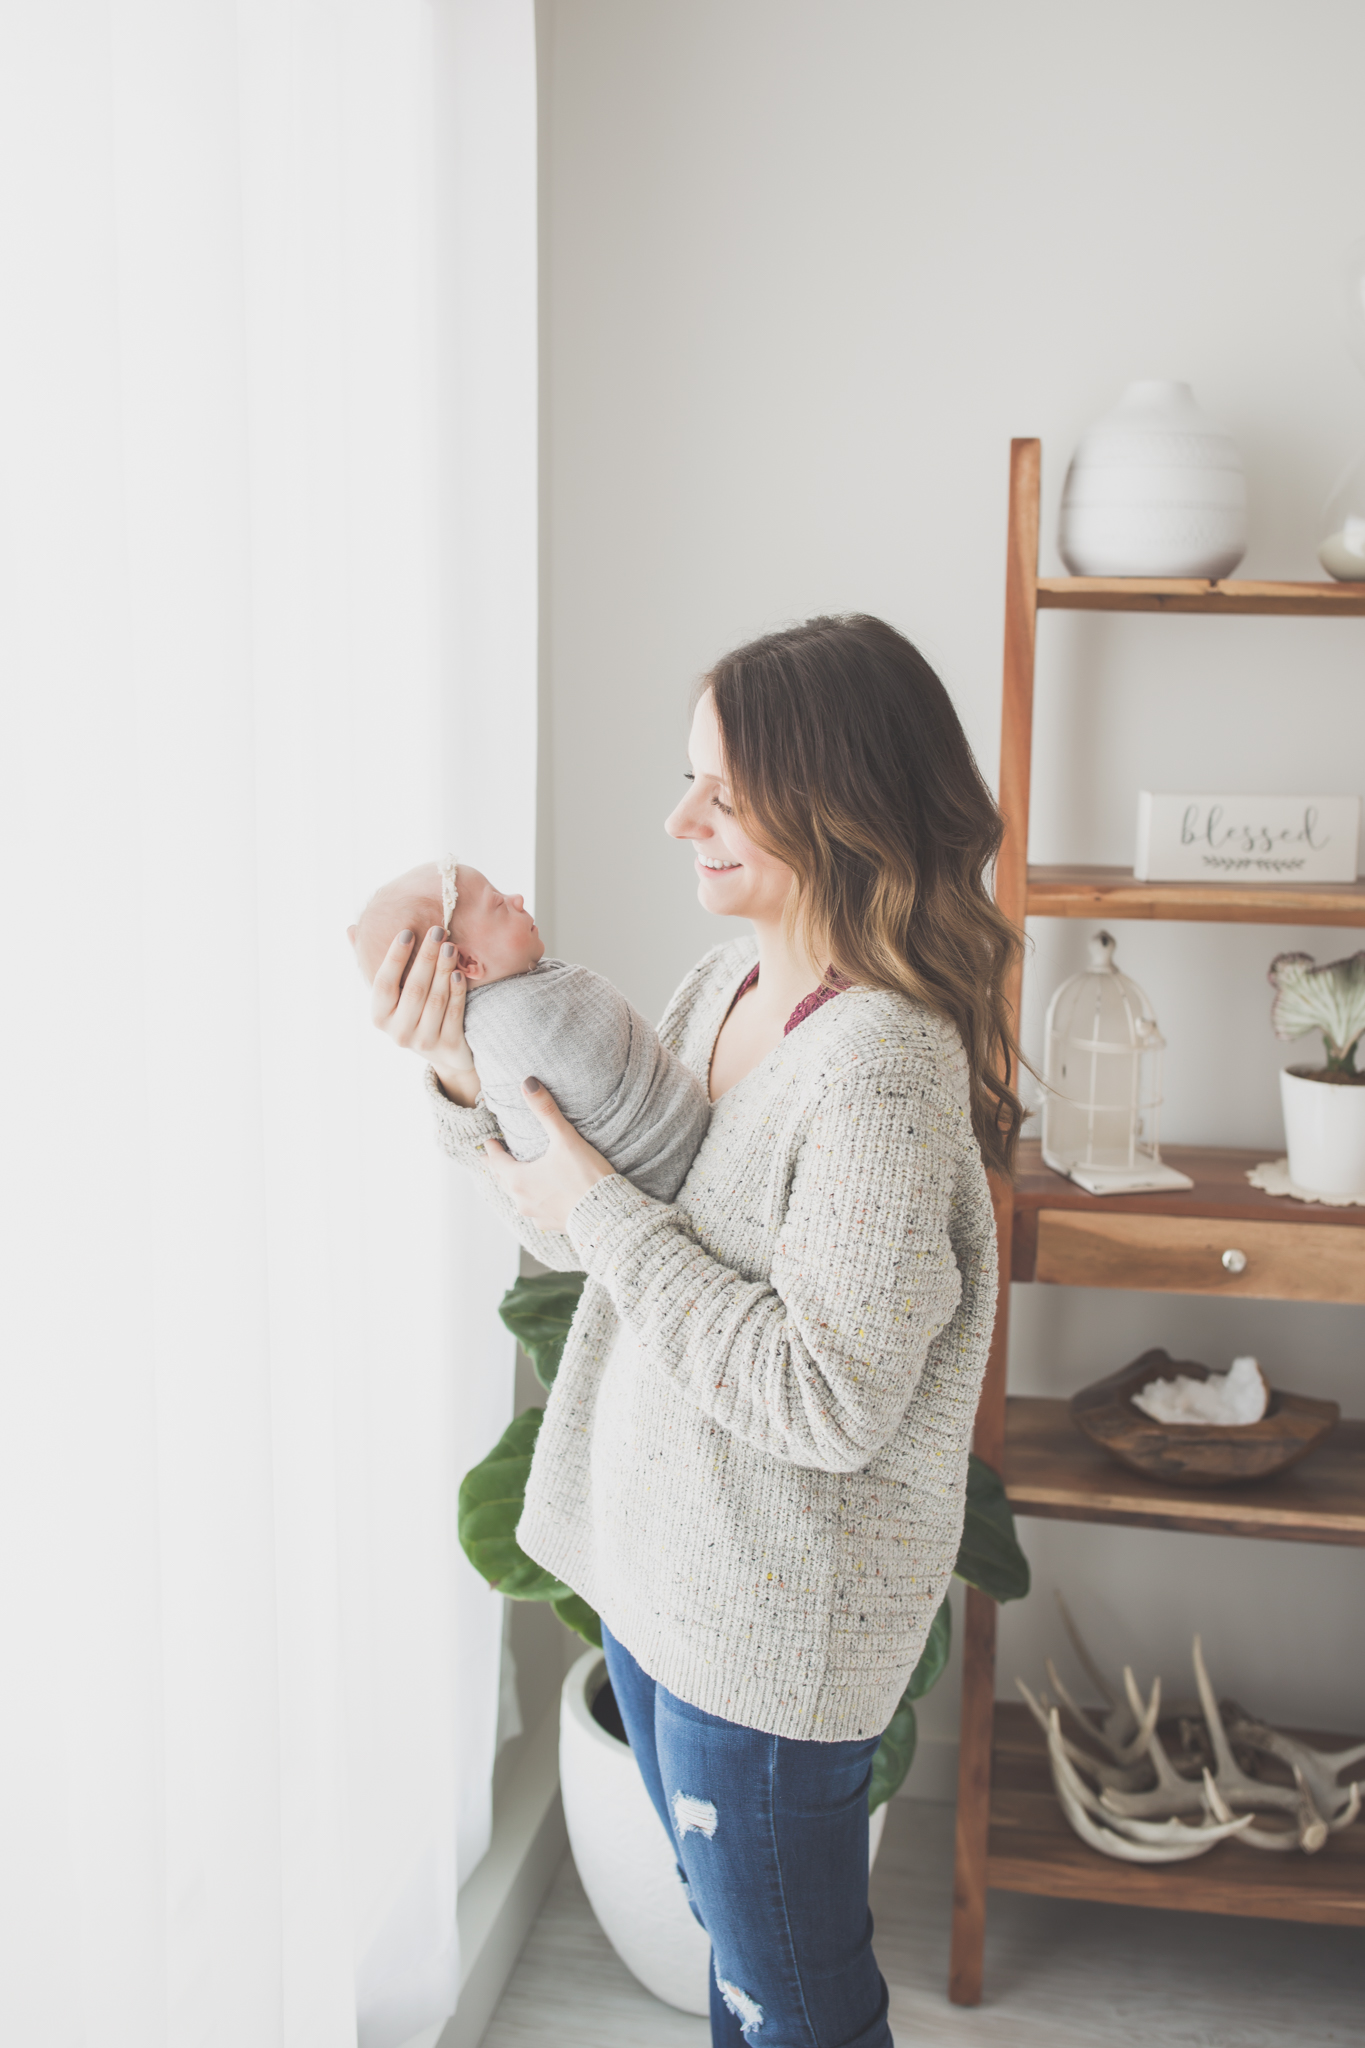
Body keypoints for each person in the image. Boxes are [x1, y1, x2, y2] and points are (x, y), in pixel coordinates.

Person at [363, 614, 1022, 2047]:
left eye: (720, 793)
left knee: (798, 2007)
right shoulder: (722, 988)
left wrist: (595, 1201)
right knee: (741, 1976)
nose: (679, 821)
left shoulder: (883, 1074)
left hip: (771, 1637)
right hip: (667, 1589)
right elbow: (580, 1235)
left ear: (832, 801)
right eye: (689, 782)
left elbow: (823, 1398)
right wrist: (470, 1062)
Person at [349, 858, 709, 1201]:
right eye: (499, 904)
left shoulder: (520, 999)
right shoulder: (508, 1027)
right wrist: (456, 1075)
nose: (517, 899)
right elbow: (534, 1173)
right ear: (468, 961)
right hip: (648, 1169)